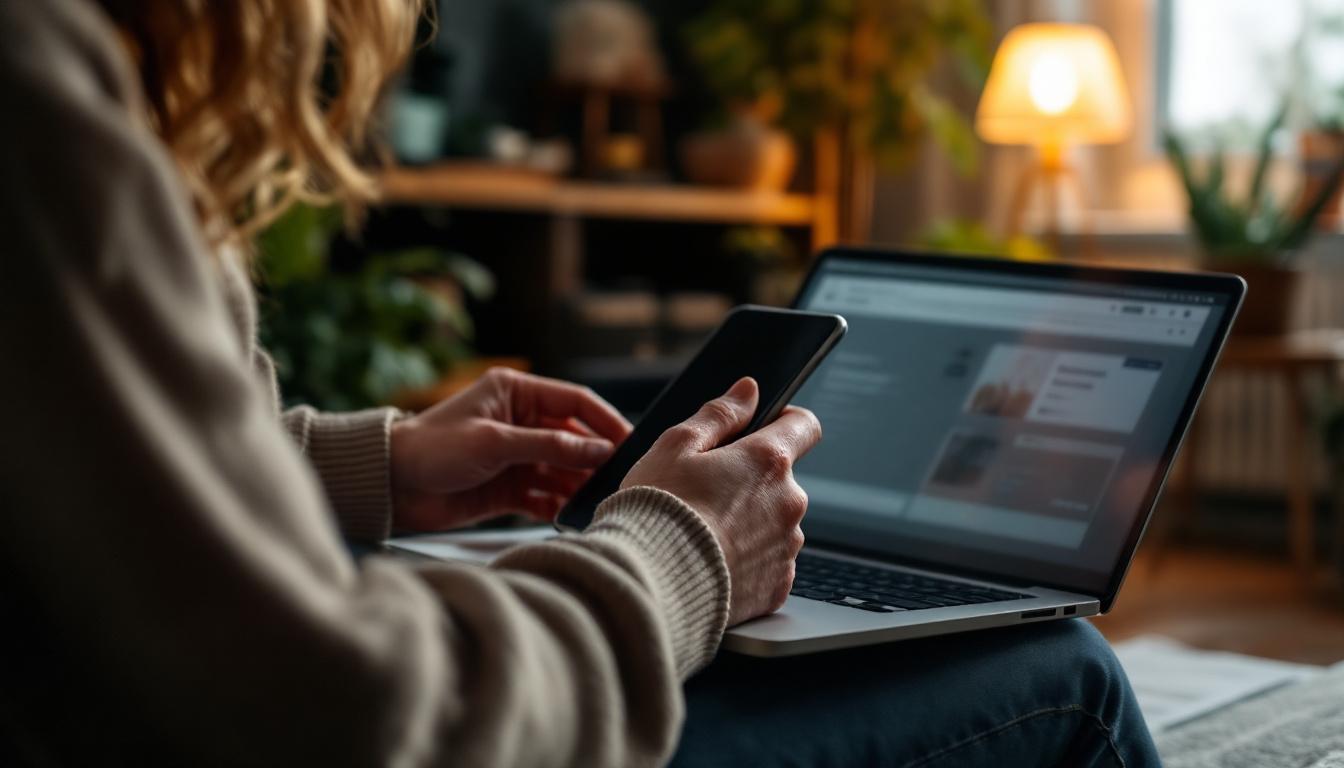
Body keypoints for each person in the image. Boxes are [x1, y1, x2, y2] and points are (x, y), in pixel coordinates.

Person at [0, 1, 1160, 765]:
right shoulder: (41, 79)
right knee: (1064, 677)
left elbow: (75, 471)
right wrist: (682, 557)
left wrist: (377, 465)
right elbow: (348, 716)